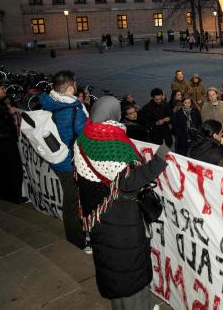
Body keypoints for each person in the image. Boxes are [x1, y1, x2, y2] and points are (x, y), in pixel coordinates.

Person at [72, 96, 170, 308]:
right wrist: (158, 161)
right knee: (129, 269)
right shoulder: (112, 143)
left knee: (113, 268)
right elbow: (127, 182)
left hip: (98, 213)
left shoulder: (84, 137)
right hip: (121, 217)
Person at [39, 70, 89, 251]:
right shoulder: (73, 109)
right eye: (75, 84)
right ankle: (77, 239)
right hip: (69, 162)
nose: (77, 87)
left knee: (70, 199)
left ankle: (75, 234)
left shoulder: (49, 101)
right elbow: (86, 137)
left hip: (56, 157)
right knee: (73, 201)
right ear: (69, 88)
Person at [0, 80, 25, 203]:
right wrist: (8, 112)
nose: (4, 91)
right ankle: (14, 196)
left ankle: (2, 193)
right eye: (2, 89)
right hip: (5, 142)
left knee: (2, 168)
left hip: (0, 143)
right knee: (14, 168)